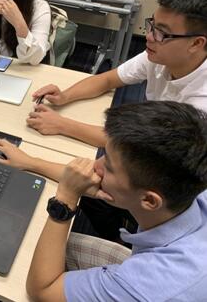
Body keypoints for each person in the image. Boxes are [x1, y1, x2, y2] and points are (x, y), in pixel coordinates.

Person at [26, 101, 207, 301]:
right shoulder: (189, 184)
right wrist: (31, 163)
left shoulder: (142, 286)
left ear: (149, 200)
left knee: (29, 249)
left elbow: (41, 290)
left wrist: (65, 199)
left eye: (109, 167)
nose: (96, 165)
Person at [27, 0, 207, 147]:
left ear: (196, 43)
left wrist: (62, 125)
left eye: (162, 32)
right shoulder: (160, 56)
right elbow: (107, 80)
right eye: (152, 25)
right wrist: (65, 96)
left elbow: (137, 144)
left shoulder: (200, 105)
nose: (149, 36)